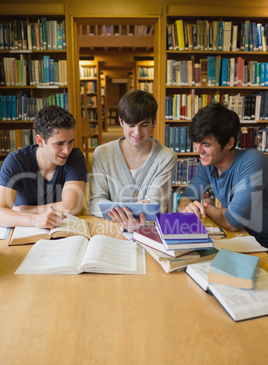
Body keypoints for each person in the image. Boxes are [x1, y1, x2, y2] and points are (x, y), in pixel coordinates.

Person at [177, 102, 268, 248]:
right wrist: (189, 208)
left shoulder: (253, 161)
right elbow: (185, 199)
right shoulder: (208, 164)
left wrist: (205, 207)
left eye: (206, 144)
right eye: (196, 142)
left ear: (229, 143)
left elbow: (233, 221)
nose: (198, 150)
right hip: (242, 241)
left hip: (263, 246)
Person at [88, 89, 177, 232]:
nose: (137, 132)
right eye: (131, 125)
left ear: (154, 122)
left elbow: (157, 205)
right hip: (112, 231)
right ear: (121, 122)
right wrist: (135, 211)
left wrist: (115, 209)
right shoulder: (102, 153)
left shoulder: (166, 157)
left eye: (144, 124)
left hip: (150, 232)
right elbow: (95, 203)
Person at [0, 105, 88, 229]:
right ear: (40, 141)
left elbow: (71, 208)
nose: (67, 150)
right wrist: (34, 219)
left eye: (70, 142)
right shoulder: (15, 162)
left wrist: (23, 210)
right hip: (25, 230)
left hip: (63, 230)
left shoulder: (75, 157)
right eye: (59, 143)